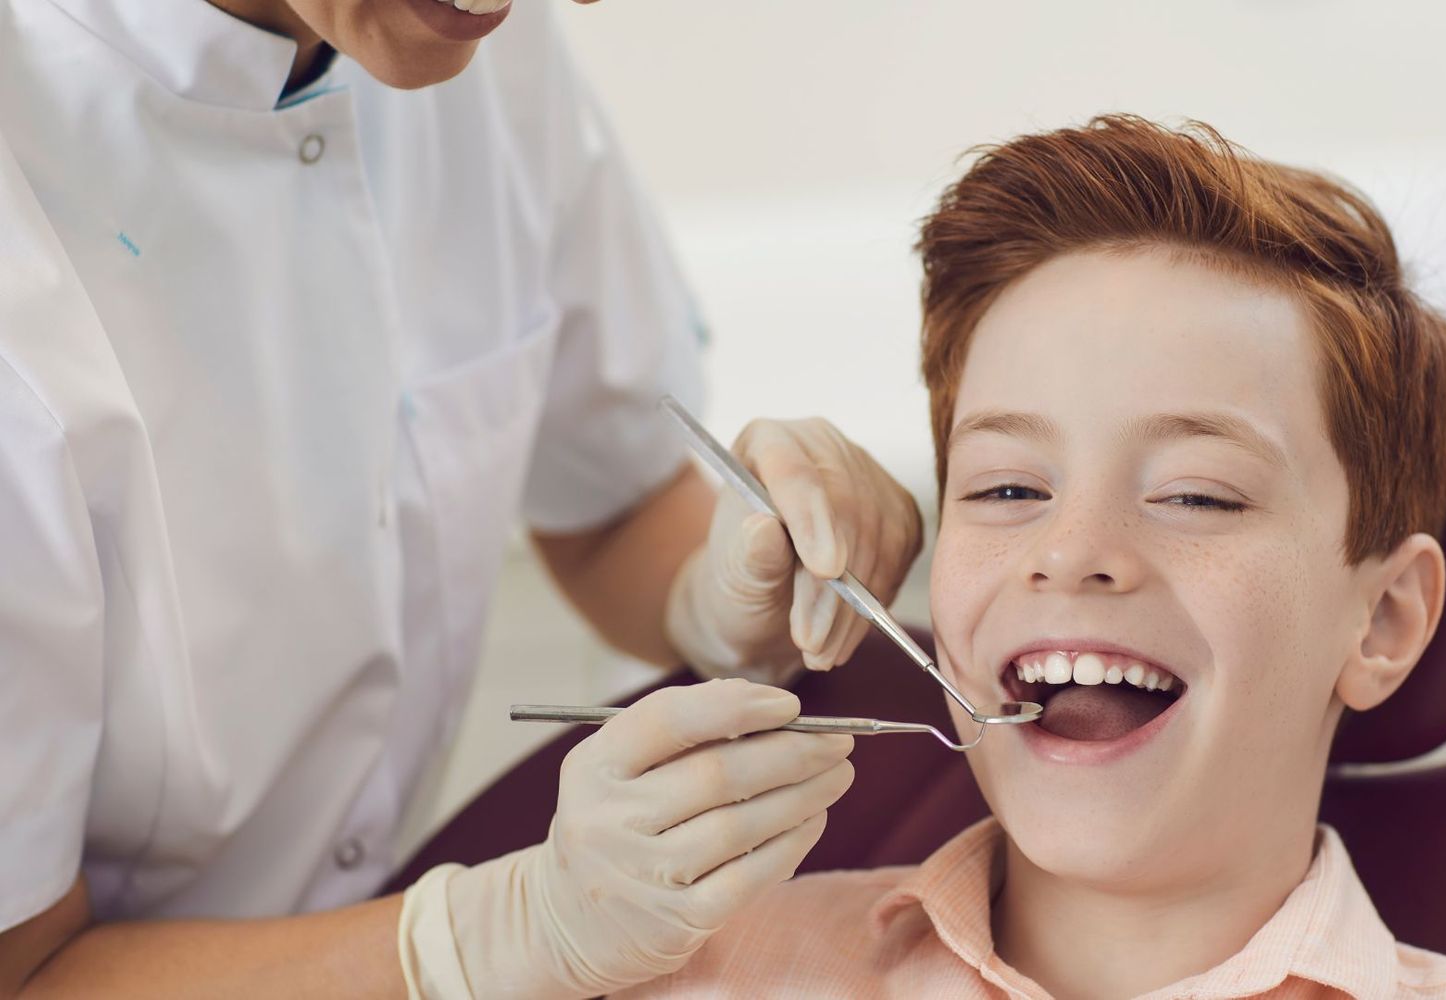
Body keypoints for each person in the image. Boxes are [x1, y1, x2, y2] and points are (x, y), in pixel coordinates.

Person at [0, 0, 921, 996]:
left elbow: (609, 506)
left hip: (400, 891)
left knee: (890, 702)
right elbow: (26, 967)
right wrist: (478, 942)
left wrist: (732, 578)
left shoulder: (465, 33)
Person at [613, 115, 1446, 998]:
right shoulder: (697, 970)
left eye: (1196, 495)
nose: (1071, 552)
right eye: (1008, 489)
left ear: (1382, 620)